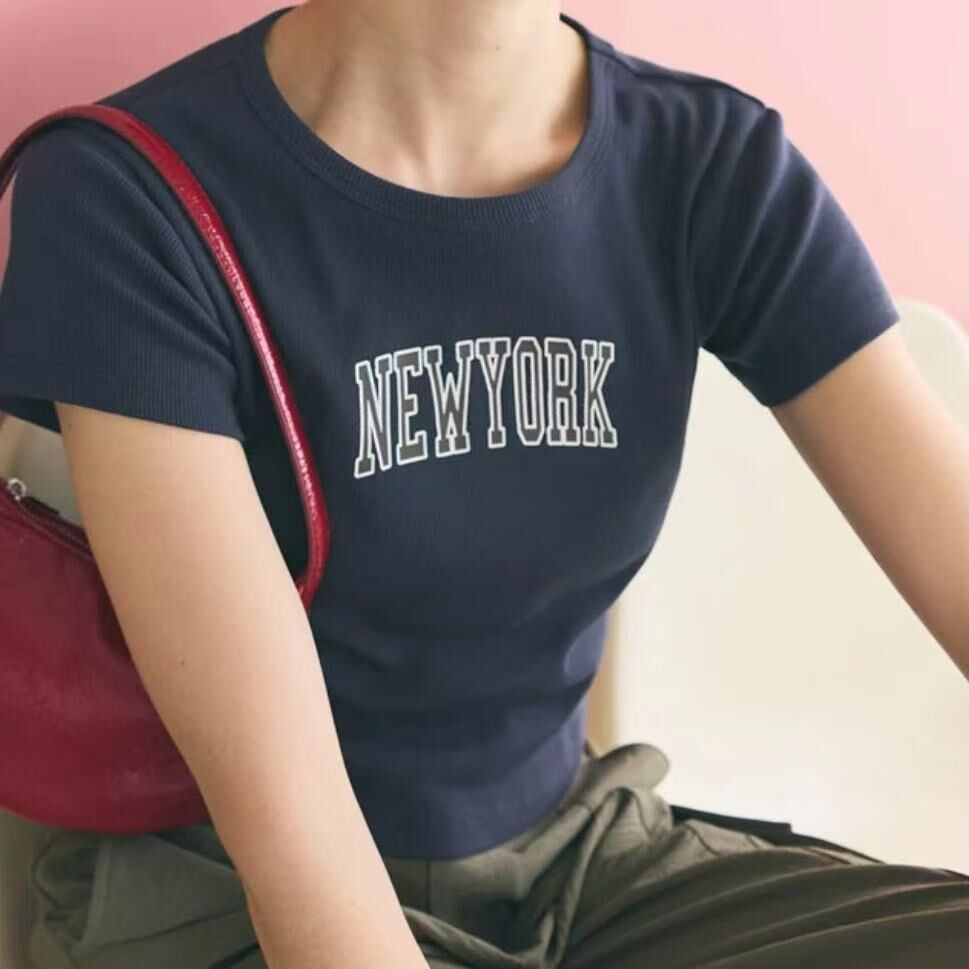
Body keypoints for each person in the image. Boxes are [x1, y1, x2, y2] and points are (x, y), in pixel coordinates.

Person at [1, 2, 967, 967]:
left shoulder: (707, 165)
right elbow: (303, 874)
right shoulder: (126, 197)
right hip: (222, 896)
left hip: (579, 867)